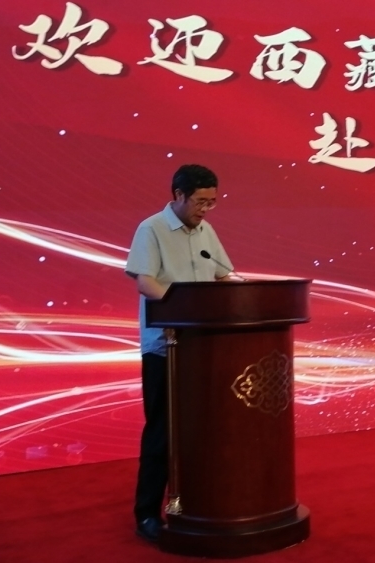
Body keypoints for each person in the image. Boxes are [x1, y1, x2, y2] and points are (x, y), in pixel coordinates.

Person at [125, 164, 236, 542]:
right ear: (178, 195)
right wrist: (183, 312)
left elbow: (222, 276)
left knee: (203, 430)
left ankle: (197, 500)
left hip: (203, 349)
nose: (206, 209)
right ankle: (146, 514)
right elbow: (146, 282)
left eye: (212, 202)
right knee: (162, 432)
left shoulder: (206, 231)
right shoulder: (151, 229)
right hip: (166, 348)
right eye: (200, 202)